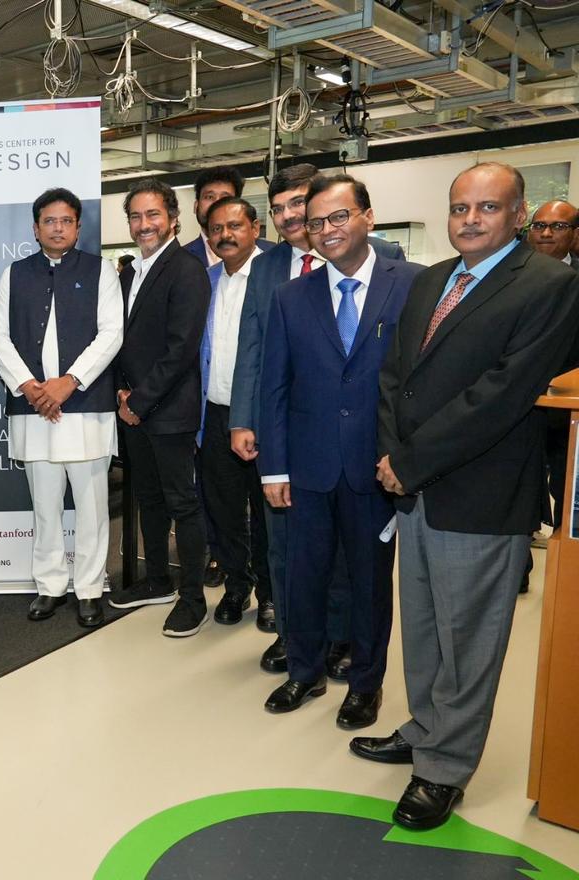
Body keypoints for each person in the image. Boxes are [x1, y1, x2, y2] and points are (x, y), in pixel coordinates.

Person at [355, 162, 579, 831]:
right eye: (460, 208)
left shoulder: (550, 286)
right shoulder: (432, 280)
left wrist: (411, 461)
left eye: (487, 208)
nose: (470, 220)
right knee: (422, 627)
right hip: (415, 488)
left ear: (518, 215)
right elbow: (396, 376)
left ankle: (445, 769)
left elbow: (503, 396)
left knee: (469, 638)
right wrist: (392, 458)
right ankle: (426, 729)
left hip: (479, 493)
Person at [229, 163, 406, 676]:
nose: (294, 219)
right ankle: (295, 637)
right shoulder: (268, 269)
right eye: (281, 209)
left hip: (363, 445)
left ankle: (344, 640)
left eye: (300, 207)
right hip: (294, 437)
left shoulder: (393, 265)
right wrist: (244, 419)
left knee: (356, 562)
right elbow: (254, 350)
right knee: (290, 551)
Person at [258, 175, 421, 731]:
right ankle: (303, 671)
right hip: (306, 468)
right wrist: (272, 467)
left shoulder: (414, 285)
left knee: (371, 583)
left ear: (368, 218)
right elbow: (273, 386)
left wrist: (405, 456)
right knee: (303, 576)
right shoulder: (290, 296)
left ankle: (366, 685)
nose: (327, 230)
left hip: (378, 469)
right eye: (316, 221)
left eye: (339, 217)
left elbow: (420, 385)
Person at [0, 188, 122, 628]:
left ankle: (88, 588)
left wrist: (69, 383)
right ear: (36, 227)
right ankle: (50, 586)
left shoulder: (101, 271)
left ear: (78, 226)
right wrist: (31, 387)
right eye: (50, 221)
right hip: (34, 410)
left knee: (91, 509)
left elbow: (111, 334)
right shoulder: (15, 274)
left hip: (85, 408)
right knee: (44, 507)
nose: (58, 228)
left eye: (67, 221)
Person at [105, 179, 212, 638]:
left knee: (182, 504)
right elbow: (114, 341)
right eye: (136, 216)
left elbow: (181, 348)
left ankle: (193, 599)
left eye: (152, 215)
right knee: (147, 499)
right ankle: (158, 582)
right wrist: (120, 395)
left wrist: (140, 401)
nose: (144, 224)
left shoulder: (186, 270)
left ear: (172, 218)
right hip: (132, 409)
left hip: (167, 411)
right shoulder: (129, 273)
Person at [197, 197, 269, 626]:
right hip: (214, 415)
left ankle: (270, 593)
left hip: (259, 415)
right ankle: (236, 588)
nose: (226, 235)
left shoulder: (273, 276)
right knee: (223, 511)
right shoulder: (205, 280)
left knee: (265, 511)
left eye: (235, 226)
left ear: (255, 228)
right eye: (217, 228)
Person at [527, 200, 579, 535]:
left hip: (568, 412)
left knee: (566, 491)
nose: (546, 233)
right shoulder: (507, 273)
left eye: (558, 226)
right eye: (539, 225)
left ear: (575, 234)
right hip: (518, 406)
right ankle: (517, 571)